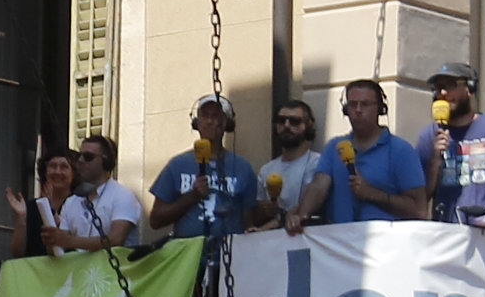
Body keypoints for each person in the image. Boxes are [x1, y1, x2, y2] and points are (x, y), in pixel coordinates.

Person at [304, 80, 427, 227]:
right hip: (340, 242)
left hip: (385, 242)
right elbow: (318, 186)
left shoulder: (401, 151)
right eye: (352, 104)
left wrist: (371, 193)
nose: (358, 110)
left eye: (365, 104)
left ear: (380, 109)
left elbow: (419, 210)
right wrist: (301, 213)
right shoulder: (334, 147)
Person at [142, 100, 262, 240]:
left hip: (229, 255)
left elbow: (248, 221)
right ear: (196, 123)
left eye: (216, 116)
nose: (210, 121)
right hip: (188, 255)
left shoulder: (243, 167)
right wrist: (192, 196)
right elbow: (156, 220)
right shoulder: (177, 165)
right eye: (205, 116)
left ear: (226, 123)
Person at [430, 68, 485, 231]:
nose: (442, 92)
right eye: (438, 88)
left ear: (469, 88)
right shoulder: (430, 135)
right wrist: (435, 158)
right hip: (446, 233)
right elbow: (422, 193)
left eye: (450, 85)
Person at [256, 98, 328, 230]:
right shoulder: (266, 170)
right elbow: (258, 215)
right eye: (281, 121)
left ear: (308, 125)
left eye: (295, 121)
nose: (287, 125)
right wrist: (264, 211)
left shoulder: (319, 163)